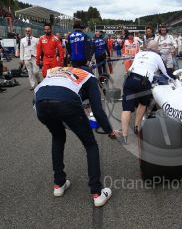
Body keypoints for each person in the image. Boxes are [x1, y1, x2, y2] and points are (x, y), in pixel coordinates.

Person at [34, 66, 119, 207]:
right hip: (66, 103)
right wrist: (110, 131)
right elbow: (97, 111)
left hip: (41, 103)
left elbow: (42, 96)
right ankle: (97, 192)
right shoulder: (90, 78)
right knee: (90, 144)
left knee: (58, 137)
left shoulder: (57, 70)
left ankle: (58, 184)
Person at [120, 41, 172, 144]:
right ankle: (136, 127)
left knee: (126, 109)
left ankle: (124, 136)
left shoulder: (139, 53)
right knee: (143, 104)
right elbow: (165, 73)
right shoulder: (157, 56)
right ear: (157, 48)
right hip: (143, 82)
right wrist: (174, 79)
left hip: (129, 79)